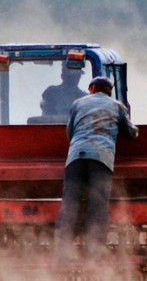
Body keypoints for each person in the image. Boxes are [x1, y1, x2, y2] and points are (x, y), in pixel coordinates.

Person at [54, 76, 139, 260]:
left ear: (91, 88)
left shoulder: (78, 104)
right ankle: (94, 252)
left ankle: (62, 251)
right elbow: (130, 133)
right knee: (98, 205)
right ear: (109, 91)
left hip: (75, 158)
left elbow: (69, 131)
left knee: (69, 204)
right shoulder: (117, 106)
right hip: (101, 160)